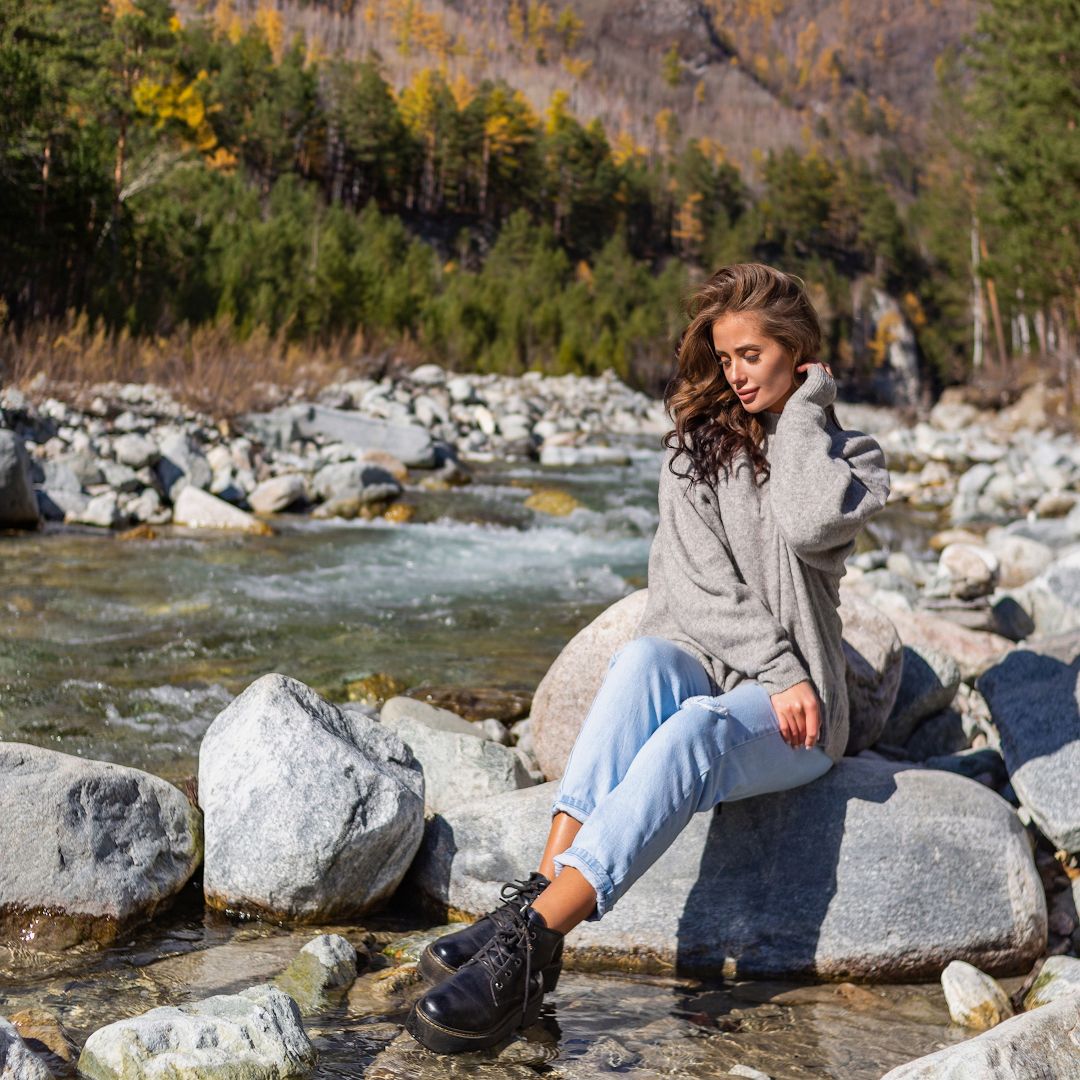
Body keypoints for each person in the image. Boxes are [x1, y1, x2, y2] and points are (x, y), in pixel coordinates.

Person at [404, 262, 892, 1055]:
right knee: (639, 662)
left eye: (753, 356)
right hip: (740, 668)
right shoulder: (697, 451)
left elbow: (807, 525)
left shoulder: (849, 456)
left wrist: (805, 409)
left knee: (694, 729)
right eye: (725, 357)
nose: (736, 374)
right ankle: (539, 913)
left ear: (797, 351)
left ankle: (529, 939)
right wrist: (776, 665)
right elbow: (694, 591)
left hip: (803, 712)